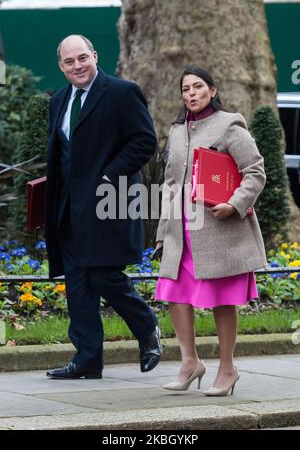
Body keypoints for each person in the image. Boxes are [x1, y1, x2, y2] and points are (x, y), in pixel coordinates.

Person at [45, 35, 162, 379]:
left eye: (83, 58)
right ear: (61, 66)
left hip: (108, 203)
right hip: (68, 208)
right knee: (78, 283)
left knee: (104, 274)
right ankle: (87, 359)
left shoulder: (122, 92)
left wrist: (110, 175)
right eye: (69, 62)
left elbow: (145, 141)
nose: (78, 66)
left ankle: (147, 326)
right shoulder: (59, 100)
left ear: (95, 56)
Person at [155, 67, 267, 396]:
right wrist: (162, 232)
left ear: (213, 90)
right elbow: (170, 184)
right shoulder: (176, 131)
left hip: (220, 231)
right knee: (173, 293)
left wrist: (234, 204)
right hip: (180, 231)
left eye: (198, 87)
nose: (191, 93)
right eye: (186, 89)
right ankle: (190, 362)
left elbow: (255, 171)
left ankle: (228, 368)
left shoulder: (229, 124)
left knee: (222, 300)